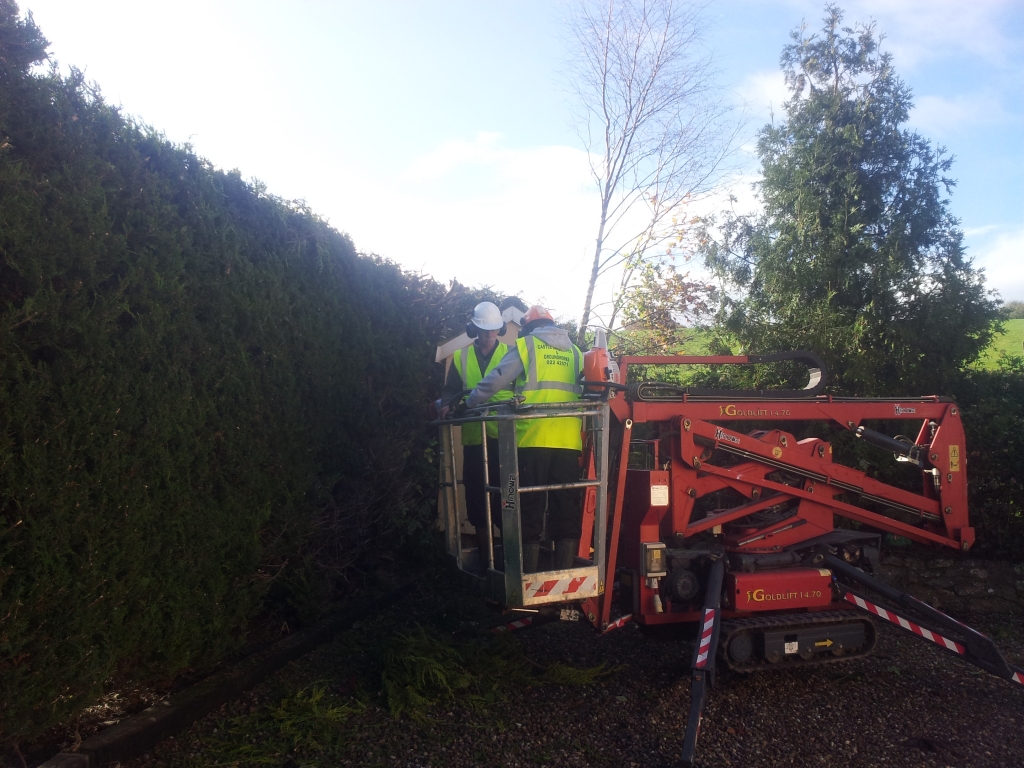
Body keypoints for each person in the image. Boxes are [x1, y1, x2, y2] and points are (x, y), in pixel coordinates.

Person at [467, 305, 583, 573]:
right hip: (568, 442)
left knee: (528, 505)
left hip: (532, 439)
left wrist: (469, 402)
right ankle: (564, 574)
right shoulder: (576, 352)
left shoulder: (527, 345)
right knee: (565, 506)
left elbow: (497, 379)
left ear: (528, 327)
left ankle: (526, 576)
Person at [439, 302, 513, 566]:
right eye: (484, 329)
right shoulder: (462, 358)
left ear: (499, 329)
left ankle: (508, 562)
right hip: (473, 441)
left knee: (507, 501)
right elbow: (450, 391)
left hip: (504, 441)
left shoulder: (511, 354)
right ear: (474, 330)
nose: (489, 334)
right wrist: (447, 405)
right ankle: (485, 562)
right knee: (477, 501)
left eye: (493, 329)